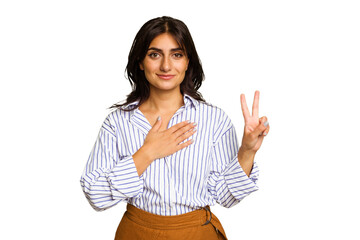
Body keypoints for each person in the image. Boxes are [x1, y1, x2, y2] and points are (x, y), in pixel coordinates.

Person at [80, 16, 270, 240]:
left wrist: (247, 151)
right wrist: (148, 152)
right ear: (140, 62)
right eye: (154, 54)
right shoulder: (118, 123)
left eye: (177, 54)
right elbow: (96, 196)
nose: (166, 65)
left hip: (196, 233)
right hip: (136, 233)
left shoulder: (213, 119)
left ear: (188, 61)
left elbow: (227, 196)